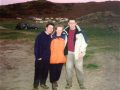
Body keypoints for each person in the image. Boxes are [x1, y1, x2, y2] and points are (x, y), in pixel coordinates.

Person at [64, 19, 88, 89]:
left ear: (75, 23)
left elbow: (85, 43)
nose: (72, 24)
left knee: (79, 69)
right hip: (68, 53)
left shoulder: (80, 32)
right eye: (70, 23)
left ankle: (81, 84)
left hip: (78, 54)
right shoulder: (65, 31)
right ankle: (69, 84)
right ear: (68, 23)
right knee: (68, 69)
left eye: (73, 23)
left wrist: (82, 52)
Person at [33, 23, 54, 90]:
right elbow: (36, 47)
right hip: (40, 58)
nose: (51, 29)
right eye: (50, 28)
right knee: (38, 72)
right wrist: (38, 57)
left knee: (45, 72)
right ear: (46, 28)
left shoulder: (51, 37)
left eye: (52, 28)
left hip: (48, 58)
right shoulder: (40, 36)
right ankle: (35, 86)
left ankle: (43, 84)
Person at [50, 24, 67, 90]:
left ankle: (56, 80)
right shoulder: (51, 36)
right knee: (53, 70)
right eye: (58, 29)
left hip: (61, 56)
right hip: (53, 57)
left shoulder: (64, 36)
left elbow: (65, 46)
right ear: (56, 29)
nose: (59, 31)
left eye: (61, 30)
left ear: (62, 30)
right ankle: (53, 83)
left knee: (58, 71)